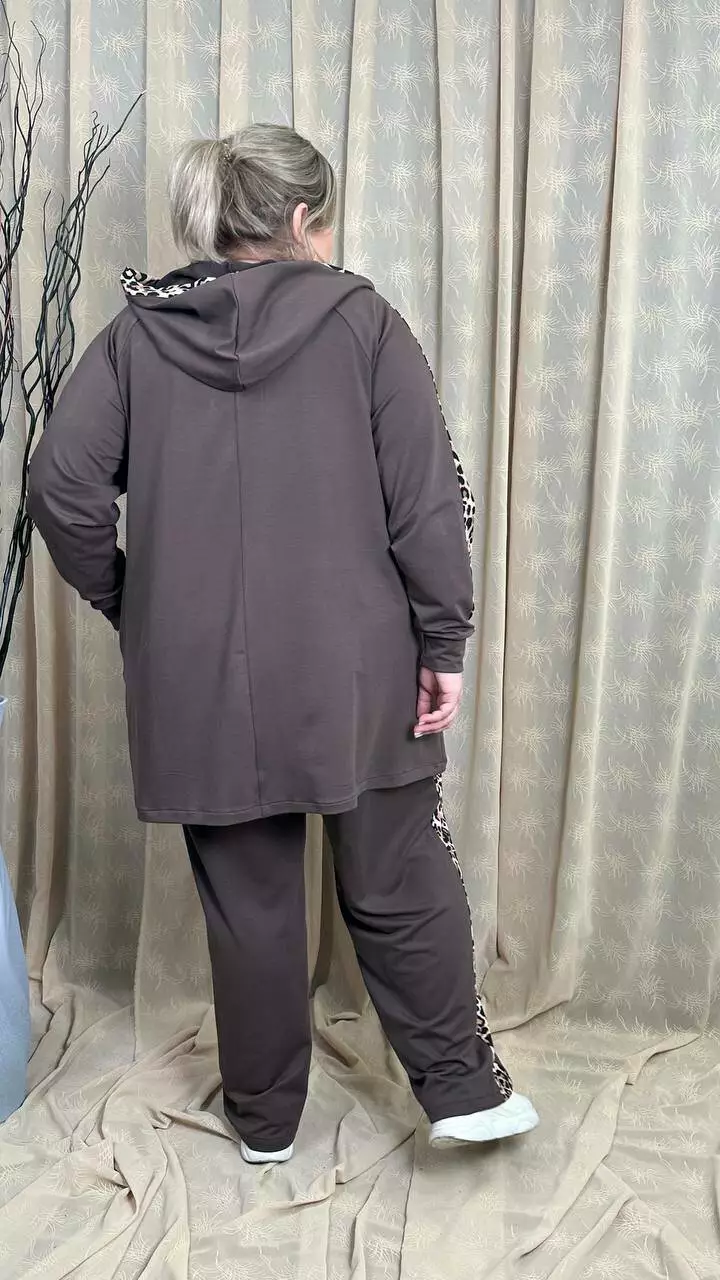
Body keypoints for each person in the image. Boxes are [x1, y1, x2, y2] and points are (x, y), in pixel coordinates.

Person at [27, 123, 539, 1163]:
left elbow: (59, 486)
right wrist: (442, 640)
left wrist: (136, 603)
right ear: (304, 218)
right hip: (358, 664)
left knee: (248, 900)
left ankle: (264, 1123)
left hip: (197, 675)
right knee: (397, 873)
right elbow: (428, 504)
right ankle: (460, 1090)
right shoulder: (366, 322)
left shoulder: (136, 333)